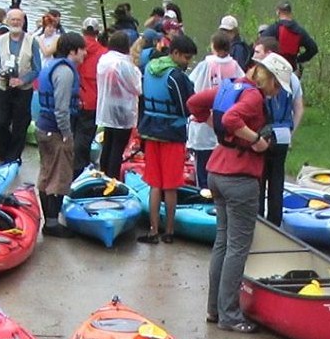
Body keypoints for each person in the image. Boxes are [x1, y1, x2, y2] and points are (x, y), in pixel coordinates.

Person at [192, 53, 292, 331]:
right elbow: (235, 119)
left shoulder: (229, 86)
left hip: (216, 171)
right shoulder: (254, 97)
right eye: (277, 86)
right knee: (237, 248)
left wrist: (214, 128)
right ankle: (230, 315)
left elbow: (194, 103)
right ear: (269, 78)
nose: (277, 92)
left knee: (222, 244)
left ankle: (214, 310)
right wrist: (257, 140)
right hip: (240, 178)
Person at [137, 32, 197, 243]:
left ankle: (153, 230)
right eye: (186, 58)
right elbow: (185, 108)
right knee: (170, 186)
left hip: (151, 132)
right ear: (175, 53)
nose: (187, 63)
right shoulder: (176, 76)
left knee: (154, 184)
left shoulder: (149, 69)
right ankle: (169, 231)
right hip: (172, 135)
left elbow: (142, 100)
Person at [34, 32, 86, 238]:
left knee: (46, 174)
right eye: (82, 49)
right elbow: (62, 108)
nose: (85, 53)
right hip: (55, 130)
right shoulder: (65, 72)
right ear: (73, 51)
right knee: (59, 177)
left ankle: (49, 220)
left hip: (43, 126)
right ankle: (52, 223)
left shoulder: (51, 65)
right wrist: (67, 134)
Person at [251, 34, 305, 224]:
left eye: (258, 52)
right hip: (283, 136)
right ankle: (275, 223)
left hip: (264, 136)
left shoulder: (260, 78)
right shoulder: (292, 78)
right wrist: (291, 133)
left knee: (259, 181)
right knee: (277, 183)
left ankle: (257, 221)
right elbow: (298, 108)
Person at [187, 33, 243, 193]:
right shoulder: (235, 66)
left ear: (213, 46)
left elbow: (193, 86)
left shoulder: (206, 64)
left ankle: (203, 193)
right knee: (221, 162)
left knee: (202, 164)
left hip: (204, 120)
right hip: (226, 119)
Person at [0, 7, 41, 166]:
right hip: (4, 88)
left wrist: (22, 80)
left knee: (21, 124)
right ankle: (4, 155)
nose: (16, 22)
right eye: (13, 20)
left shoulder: (32, 41)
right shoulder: (1, 39)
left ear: (23, 22)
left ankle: (14, 157)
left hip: (23, 90)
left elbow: (37, 68)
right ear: (7, 21)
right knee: (0, 122)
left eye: (18, 20)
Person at [95, 30, 142, 181]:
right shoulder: (124, 64)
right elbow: (137, 88)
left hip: (107, 107)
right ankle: (113, 178)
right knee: (117, 146)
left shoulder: (104, 60)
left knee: (107, 143)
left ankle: (103, 173)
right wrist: (136, 69)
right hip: (123, 109)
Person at [73, 17, 106, 176]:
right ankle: (80, 168)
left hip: (74, 98)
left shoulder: (73, 49)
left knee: (72, 134)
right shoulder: (103, 53)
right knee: (85, 137)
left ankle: (73, 165)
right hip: (93, 101)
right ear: (97, 33)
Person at [269, 1, 318, 70]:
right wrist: (298, 59)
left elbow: (260, 44)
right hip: (290, 68)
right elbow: (313, 49)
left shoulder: (274, 28)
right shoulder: (300, 31)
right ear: (290, 12)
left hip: (274, 67)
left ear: (278, 12)